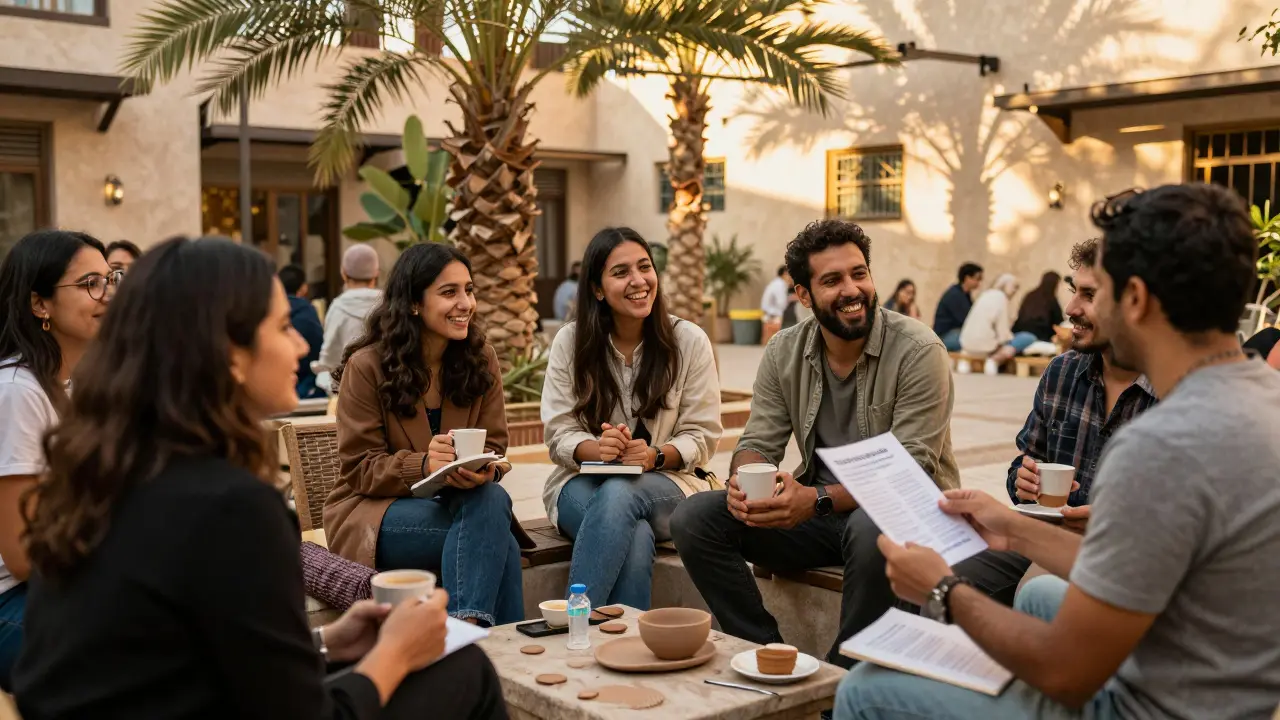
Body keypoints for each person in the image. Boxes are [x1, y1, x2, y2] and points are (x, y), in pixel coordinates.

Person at [12, 236, 507, 719]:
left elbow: (169, 660)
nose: (298, 344)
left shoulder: (106, 469)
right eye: (281, 326)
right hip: (382, 514)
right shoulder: (230, 506)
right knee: (466, 670)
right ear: (229, 353)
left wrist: (325, 641)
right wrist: (396, 651)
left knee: (489, 528)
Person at [836, 183, 1280, 719]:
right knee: (1038, 596)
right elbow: (1146, 567)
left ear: (1135, 299)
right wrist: (1013, 526)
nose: (1075, 306)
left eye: (1100, 288)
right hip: (1229, 683)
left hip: (1147, 707)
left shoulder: (1162, 446)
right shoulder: (1261, 397)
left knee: (862, 688)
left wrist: (943, 589)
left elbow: (1067, 673)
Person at [670, 219, 1029, 669]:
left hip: (906, 516)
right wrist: (746, 481)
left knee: (870, 526)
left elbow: (911, 466)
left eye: (859, 273)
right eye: (832, 280)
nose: (852, 289)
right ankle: (766, 655)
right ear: (802, 295)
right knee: (695, 517)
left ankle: (841, 683)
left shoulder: (919, 350)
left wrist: (815, 500)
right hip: (819, 515)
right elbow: (759, 440)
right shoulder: (784, 350)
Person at [325, 243, 523, 627]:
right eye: (449, 293)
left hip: (461, 505)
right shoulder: (367, 366)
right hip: (374, 513)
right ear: (414, 302)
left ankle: (470, 642)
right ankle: (485, 647)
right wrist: (425, 465)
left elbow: (495, 445)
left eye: (469, 290)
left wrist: (485, 471)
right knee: (499, 539)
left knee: (491, 507)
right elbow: (359, 468)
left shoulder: (480, 359)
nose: (465, 302)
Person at [542, 227, 721, 610]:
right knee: (635, 534)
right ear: (597, 288)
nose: (638, 281)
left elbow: (703, 435)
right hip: (580, 483)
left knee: (622, 494)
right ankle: (626, 648)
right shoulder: (570, 343)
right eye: (621, 272)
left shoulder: (688, 341)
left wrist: (655, 456)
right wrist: (597, 450)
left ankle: (573, 624)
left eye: (645, 267)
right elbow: (559, 433)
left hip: (670, 483)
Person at [0, 230, 114, 691]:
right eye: (90, 283)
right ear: (39, 304)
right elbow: (23, 555)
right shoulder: (17, 392)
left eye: (112, 279)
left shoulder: (73, 386)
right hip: (13, 601)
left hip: (60, 585)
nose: (108, 295)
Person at [1008, 240, 1156, 533]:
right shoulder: (1062, 371)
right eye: (1074, 290)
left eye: (1089, 295)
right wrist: (1021, 481)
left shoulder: (1177, 392)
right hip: (1046, 535)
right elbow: (1027, 459)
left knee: (1037, 583)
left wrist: (1113, 521)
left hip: (1125, 559)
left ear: (1136, 303)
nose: (1070, 308)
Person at [316, 244, 383, 394]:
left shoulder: (338, 307)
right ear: (376, 274)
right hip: (387, 385)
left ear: (344, 274)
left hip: (349, 388)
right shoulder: (390, 305)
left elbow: (329, 359)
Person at [960, 273, 1038, 374]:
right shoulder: (1001, 298)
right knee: (1028, 337)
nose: (1015, 291)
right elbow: (1003, 332)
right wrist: (1007, 341)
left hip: (966, 344)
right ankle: (995, 359)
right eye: (1014, 287)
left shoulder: (985, 294)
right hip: (987, 347)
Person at [279, 264, 325, 400]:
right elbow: (318, 347)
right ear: (303, 287)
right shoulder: (307, 311)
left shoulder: (270, 310)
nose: (301, 348)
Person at [933, 262, 983, 351]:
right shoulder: (955, 295)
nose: (979, 282)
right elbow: (967, 320)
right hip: (944, 336)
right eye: (978, 279)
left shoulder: (964, 295)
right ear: (967, 278)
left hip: (954, 333)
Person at [1013, 271, 1064, 343]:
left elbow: (1020, 314)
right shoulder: (1050, 299)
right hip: (1041, 335)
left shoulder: (1030, 295)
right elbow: (1058, 320)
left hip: (1020, 331)